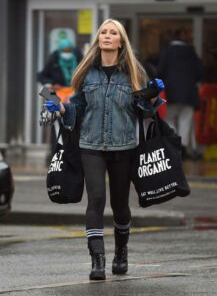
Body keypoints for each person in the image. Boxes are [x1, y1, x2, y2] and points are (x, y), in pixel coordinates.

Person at [45, 19, 164, 280]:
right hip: (91, 145)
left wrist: (152, 97)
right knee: (96, 198)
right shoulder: (86, 74)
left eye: (113, 33)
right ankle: (97, 259)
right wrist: (62, 108)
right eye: (104, 33)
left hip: (124, 146)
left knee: (120, 205)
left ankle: (121, 251)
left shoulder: (133, 74)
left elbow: (143, 112)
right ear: (98, 40)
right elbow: (76, 110)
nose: (107, 36)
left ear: (121, 42)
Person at [157, 27, 204, 159]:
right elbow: (200, 73)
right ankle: (182, 148)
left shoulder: (167, 52)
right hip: (189, 94)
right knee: (185, 120)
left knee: (170, 120)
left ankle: (172, 147)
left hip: (171, 93)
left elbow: (159, 71)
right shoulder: (192, 53)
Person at [37, 38, 83, 161]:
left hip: (75, 97)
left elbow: (86, 75)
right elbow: (42, 76)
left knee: (75, 123)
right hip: (57, 96)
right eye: (64, 51)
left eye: (69, 51)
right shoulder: (54, 59)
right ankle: (56, 154)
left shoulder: (79, 57)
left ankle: (74, 153)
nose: (66, 53)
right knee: (56, 125)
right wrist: (50, 84)